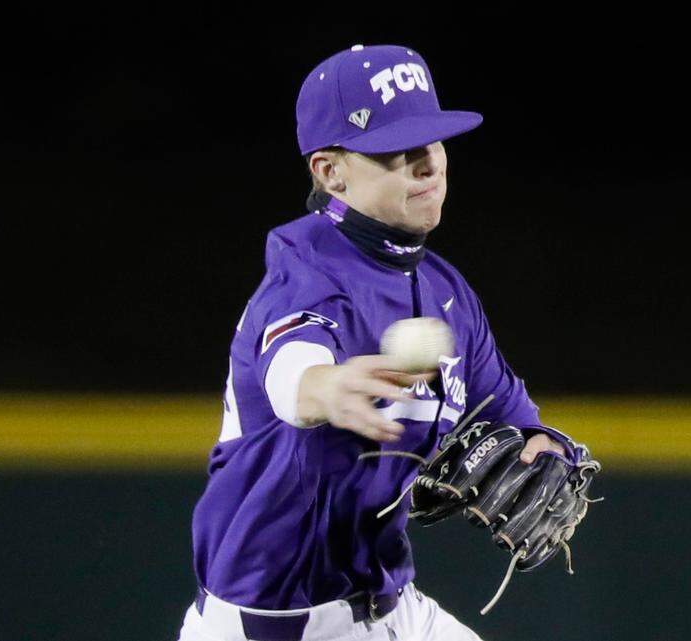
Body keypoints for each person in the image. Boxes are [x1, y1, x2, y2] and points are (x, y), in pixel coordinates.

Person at [176, 44, 577, 641]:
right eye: (396, 149)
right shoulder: (305, 270)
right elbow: (293, 371)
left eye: (433, 142)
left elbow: (517, 420)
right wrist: (324, 388)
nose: (428, 164)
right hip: (277, 626)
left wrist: (550, 451)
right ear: (330, 171)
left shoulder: (446, 292)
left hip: (392, 609)